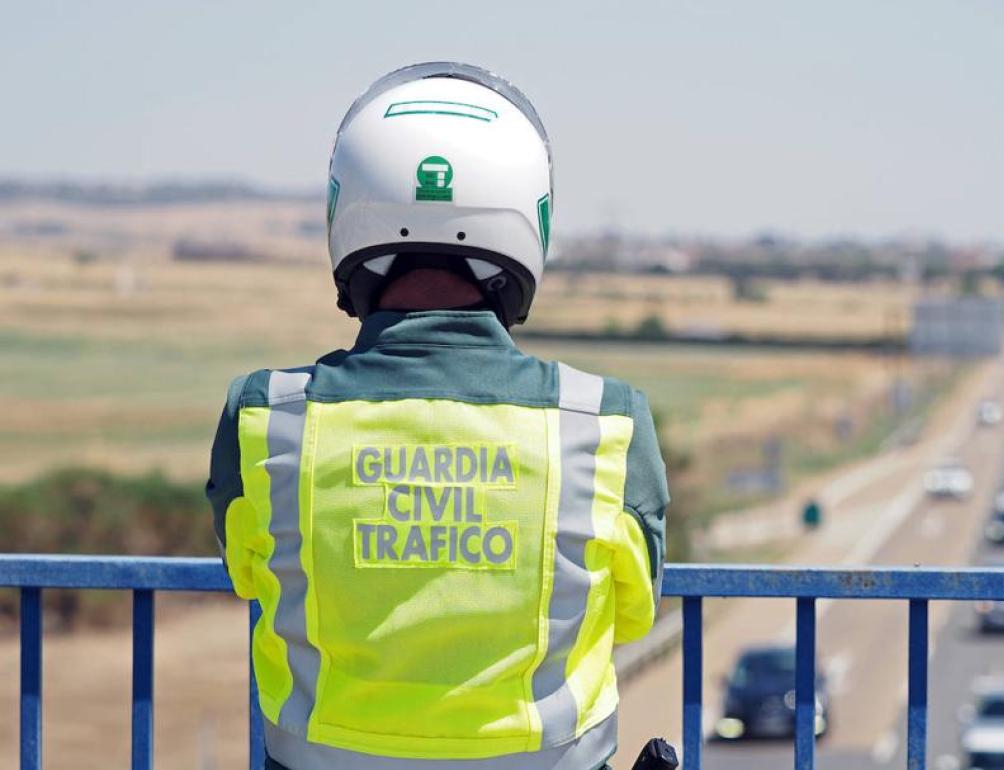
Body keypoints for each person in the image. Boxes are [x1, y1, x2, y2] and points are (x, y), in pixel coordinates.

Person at [205, 62, 669, 770]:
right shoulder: (604, 424)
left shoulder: (266, 417)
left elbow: (249, 573)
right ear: (530, 220)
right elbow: (632, 614)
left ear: (345, 211)